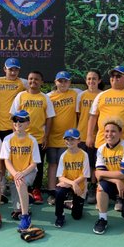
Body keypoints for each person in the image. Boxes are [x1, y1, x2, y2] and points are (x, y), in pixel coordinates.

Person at [87, 65, 124, 211]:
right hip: (102, 140)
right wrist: (89, 135)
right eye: (112, 76)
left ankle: (120, 196)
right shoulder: (102, 95)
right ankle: (96, 190)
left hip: (123, 143)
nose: (114, 79)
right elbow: (93, 116)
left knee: (118, 168)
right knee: (99, 168)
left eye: (118, 76)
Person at [10, 71, 55, 204]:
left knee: (38, 166)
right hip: (22, 139)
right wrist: (16, 134)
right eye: (30, 79)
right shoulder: (20, 96)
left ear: (41, 82)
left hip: (38, 138)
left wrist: (46, 136)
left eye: (36, 79)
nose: (33, 81)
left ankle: (36, 190)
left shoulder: (44, 98)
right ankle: (24, 189)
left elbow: (49, 118)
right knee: (22, 164)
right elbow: (13, 116)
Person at [92, 117, 124, 235]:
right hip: (118, 184)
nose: (109, 134)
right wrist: (116, 181)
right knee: (101, 187)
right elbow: (99, 176)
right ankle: (102, 218)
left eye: (113, 131)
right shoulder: (101, 149)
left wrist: (114, 178)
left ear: (120, 133)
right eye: (107, 131)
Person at [0, 110, 41, 231]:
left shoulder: (32, 140)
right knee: (16, 210)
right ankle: (28, 198)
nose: (18, 123)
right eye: (15, 120)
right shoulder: (7, 139)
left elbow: (34, 163)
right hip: (14, 173)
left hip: (29, 172)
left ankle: (25, 217)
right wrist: (15, 173)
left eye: (21, 120)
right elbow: (6, 161)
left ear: (28, 123)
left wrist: (22, 174)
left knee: (21, 183)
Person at [46, 71, 81, 205]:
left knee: (65, 166)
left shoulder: (76, 93)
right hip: (52, 137)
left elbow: (94, 92)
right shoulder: (48, 96)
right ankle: (51, 192)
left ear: (70, 82)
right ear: (55, 82)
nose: (63, 83)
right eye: (60, 81)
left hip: (68, 139)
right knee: (52, 164)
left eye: (66, 81)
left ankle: (63, 192)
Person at [54, 128, 90, 228]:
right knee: (59, 192)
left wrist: (75, 183)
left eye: (72, 139)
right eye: (67, 139)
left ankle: (71, 204)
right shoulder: (63, 156)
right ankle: (59, 216)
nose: (69, 142)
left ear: (79, 140)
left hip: (80, 185)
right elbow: (60, 176)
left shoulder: (84, 155)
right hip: (69, 184)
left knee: (77, 216)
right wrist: (72, 183)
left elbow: (84, 175)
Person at [76, 70, 103, 204]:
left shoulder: (103, 95)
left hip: (97, 137)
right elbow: (78, 115)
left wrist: (92, 135)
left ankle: (92, 187)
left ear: (99, 80)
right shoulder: (81, 96)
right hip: (81, 136)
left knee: (94, 164)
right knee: (82, 164)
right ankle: (81, 188)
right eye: (89, 79)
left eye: (94, 79)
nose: (91, 81)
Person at [0, 58, 28, 140]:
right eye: (10, 69)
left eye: (16, 70)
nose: (13, 72)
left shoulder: (23, 82)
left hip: (13, 126)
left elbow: (34, 91)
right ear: (4, 69)